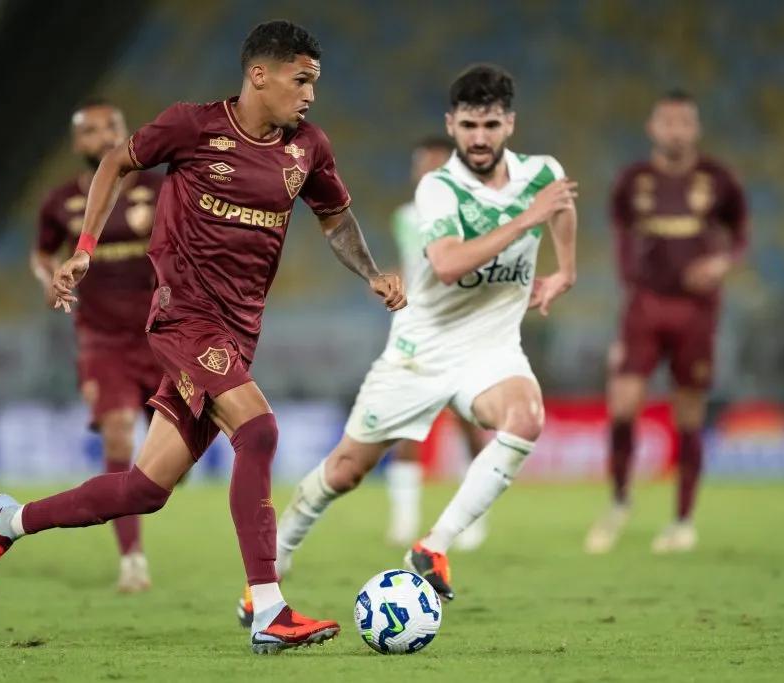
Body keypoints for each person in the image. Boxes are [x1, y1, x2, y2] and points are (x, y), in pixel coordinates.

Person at [0, 20, 406, 655]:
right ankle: (268, 608)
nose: (310, 95)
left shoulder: (308, 147)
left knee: (145, 490)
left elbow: (335, 219)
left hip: (238, 330)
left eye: (315, 83)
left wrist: (373, 273)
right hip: (182, 317)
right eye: (301, 80)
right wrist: (84, 250)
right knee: (259, 431)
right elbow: (117, 161)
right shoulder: (194, 126)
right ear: (260, 74)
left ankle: (7, 522)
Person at [239, 63, 577, 619]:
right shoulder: (438, 188)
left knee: (526, 416)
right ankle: (271, 566)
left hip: (491, 350)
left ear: (509, 124)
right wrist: (527, 220)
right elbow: (445, 265)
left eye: (491, 125)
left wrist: (564, 271)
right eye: (468, 125)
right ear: (451, 124)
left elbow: (561, 209)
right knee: (345, 471)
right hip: (421, 351)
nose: (479, 138)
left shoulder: (542, 174)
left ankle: (432, 548)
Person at [584, 88, 748, 555]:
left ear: (695, 129)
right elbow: (619, 231)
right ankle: (618, 500)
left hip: (697, 310)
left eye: (684, 122)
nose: (675, 130)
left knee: (689, 414)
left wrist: (721, 263)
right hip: (644, 305)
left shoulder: (718, 180)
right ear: (653, 128)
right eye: (667, 122)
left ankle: (682, 520)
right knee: (622, 404)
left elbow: (740, 236)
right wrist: (627, 283)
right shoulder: (633, 180)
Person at [31, 99, 164, 593]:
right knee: (117, 436)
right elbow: (41, 253)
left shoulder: (162, 189)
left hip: (163, 335)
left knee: (174, 454)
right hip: (102, 340)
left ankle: (163, 479)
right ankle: (132, 559)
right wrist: (47, 278)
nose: (105, 136)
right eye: (92, 130)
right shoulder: (60, 201)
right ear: (77, 143)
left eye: (114, 127)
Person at [384, 135, 489, 550]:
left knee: (469, 424)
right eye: (421, 163)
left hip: (464, 331)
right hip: (417, 333)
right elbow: (413, 264)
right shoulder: (404, 217)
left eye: (435, 163)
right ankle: (404, 521)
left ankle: (473, 519)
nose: (426, 170)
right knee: (408, 424)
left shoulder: (475, 215)